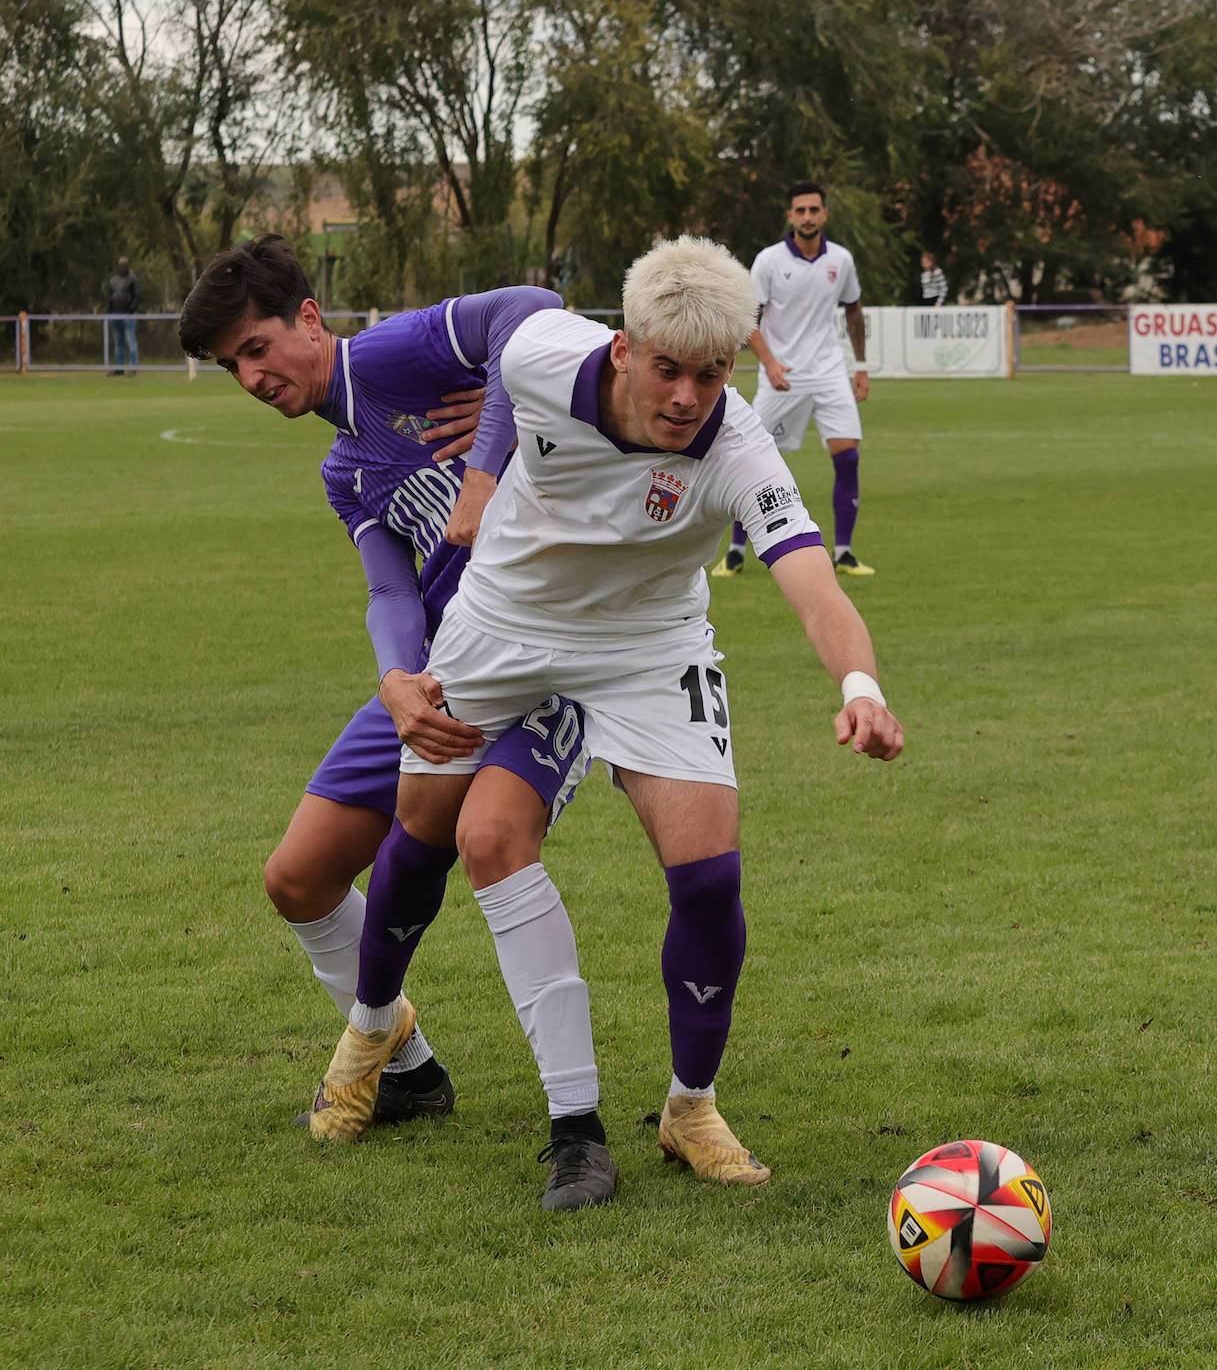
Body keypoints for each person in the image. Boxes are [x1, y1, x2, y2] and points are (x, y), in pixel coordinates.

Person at [312, 236, 904, 1214]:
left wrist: (856, 686)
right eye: (667, 369)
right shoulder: (547, 356)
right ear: (623, 347)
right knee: (418, 833)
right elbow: (504, 334)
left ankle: (690, 1108)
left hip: (648, 647)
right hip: (500, 626)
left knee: (709, 875)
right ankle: (371, 1027)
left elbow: (805, 574)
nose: (685, 397)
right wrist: (486, 459)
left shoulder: (737, 444)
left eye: (710, 375)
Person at [177, 235, 588, 1131]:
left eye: (256, 348)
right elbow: (390, 588)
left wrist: (488, 450)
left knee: (485, 840)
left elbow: (532, 305)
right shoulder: (342, 469)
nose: (250, 378)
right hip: (443, 671)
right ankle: (406, 1067)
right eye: (229, 366)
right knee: (297, 879)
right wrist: (397, 681)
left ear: (310, 319)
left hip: (552, 657)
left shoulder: (396, 353)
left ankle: (582, 1119)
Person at [712, 182, 874, 579]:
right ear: (789, 216)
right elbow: (750, 319)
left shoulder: (841, 259)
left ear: (825, 214)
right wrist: (769, 363)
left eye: (813, 210)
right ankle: (734, 552)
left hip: (829, 370)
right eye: (799, 210)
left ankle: (845, 553)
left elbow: (854, 312)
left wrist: (862, 366)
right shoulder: (768, 261)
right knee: (748, 455)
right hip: (781, 375)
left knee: (848, 455)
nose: (807, 217)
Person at [104, 256, 140, 375]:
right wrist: (109, 309)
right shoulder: (113, 280)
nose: (122, 267)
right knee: (118, 342)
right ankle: (119, 368)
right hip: (115, 314)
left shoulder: (132, 279)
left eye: (124, 264)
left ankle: (133, 367)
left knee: (131, 341)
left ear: (128, 265)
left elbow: (136, 296)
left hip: (128, 315)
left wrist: (131, 309)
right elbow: (110, 295)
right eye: (120, 264)